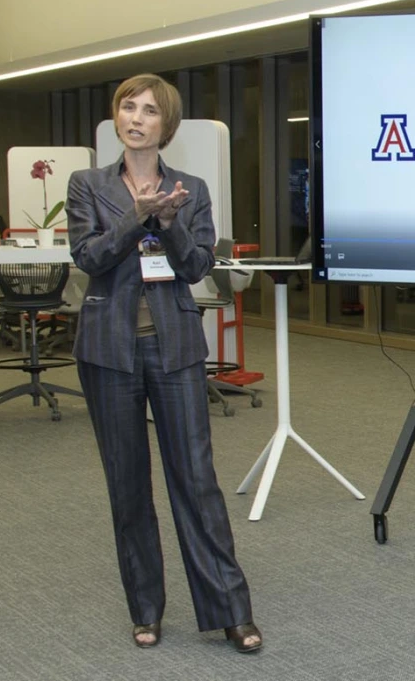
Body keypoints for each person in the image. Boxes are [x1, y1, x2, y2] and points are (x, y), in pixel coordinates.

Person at [65, 74, 261, 653]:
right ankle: (146, 609)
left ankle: (231, 610)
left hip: (173, 347)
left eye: (150, 110)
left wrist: (169, 224)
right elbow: (88, 256)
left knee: (197, 482)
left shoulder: (191, 189)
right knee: (127, 486)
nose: (136, 117)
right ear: (118, 118)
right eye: (128, 107)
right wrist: (135, 217)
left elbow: (199, 265)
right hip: (107, 351)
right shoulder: (87, 185)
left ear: (164, 125)